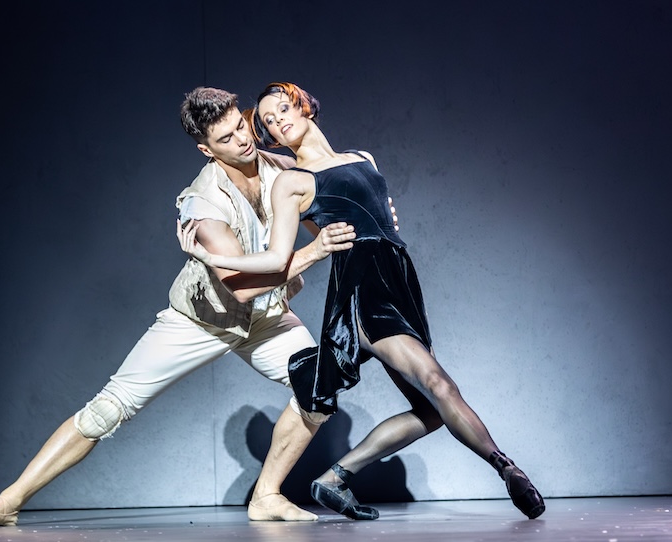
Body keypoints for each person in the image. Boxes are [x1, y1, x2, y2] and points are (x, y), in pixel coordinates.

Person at [0, 87, 358, 528]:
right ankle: (5, 503)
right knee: (108, 409)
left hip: (265, 320)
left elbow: (333, 201)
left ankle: (265, 496)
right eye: (226, 138)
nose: (243, 139)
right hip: (202, 319)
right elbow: (241, 288)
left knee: (318, 387)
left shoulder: (278, 167)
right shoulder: (201, 203)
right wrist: (314, 252)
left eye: (241, 126)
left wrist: (375, 213)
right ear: (206, 148)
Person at [178, 82, 546, 521]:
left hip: (401, 283)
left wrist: (380, 220)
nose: (278, 123)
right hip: (363, 292)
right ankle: (506, 469)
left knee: (431, 411)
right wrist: (210, 256)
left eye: (282, 110)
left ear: (304, 104)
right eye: (270, 123)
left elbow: (368, 216)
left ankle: (336, 477)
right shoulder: (292, 183)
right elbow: (278, 257)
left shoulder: (363, 158)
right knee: (440, 385)